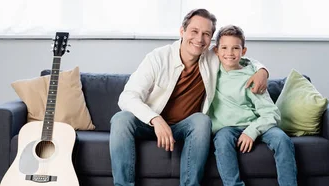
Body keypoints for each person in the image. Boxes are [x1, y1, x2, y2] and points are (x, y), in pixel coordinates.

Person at [109, 9, 270, 186]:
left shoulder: (212, 57)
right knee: (120, 119)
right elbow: (127, 96)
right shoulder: (158, 58)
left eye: (206, 34)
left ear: (211, 40)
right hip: (150, 125)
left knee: (202, 120)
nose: (199, 39)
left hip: (184, 127)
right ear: (182, 31)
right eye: (194, 31)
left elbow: (237, 58)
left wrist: (262, 70)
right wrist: (155, 119)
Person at [209, 25, 298, 186]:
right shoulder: (211, 71)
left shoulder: (252, 76)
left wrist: (251, 131)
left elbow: (271, 113)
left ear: (243, 51)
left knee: (282, 140)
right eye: (224, 48)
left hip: (257, 124)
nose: (229, 53)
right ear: (216, 51)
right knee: (221, 140)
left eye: (235, 48)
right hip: (227, 128)